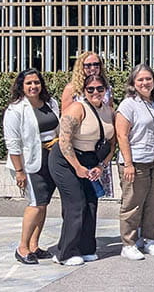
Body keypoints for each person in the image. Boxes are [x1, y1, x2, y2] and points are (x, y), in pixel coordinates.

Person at [52, 74, 115, 266]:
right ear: (83, 91)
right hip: (66, 160)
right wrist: (77, 167)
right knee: (76, 204)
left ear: (105, 90)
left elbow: (112, 144)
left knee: (90, 203)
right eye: (90, 89)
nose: (96, 92)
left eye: (99, 88)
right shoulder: (77, 108)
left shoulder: (109, 111)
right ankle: (65, 252)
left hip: (91, 160)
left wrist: (101, 166)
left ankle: (87, 248)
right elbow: (64, 141)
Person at [4, 69, 60, 265]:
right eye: (28, 83)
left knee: (43, 203)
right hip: (29, 162)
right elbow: (12, 143)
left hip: (50, 159)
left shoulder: (51, 103)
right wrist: (19, 171)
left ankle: (34, 246)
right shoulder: (16, 110)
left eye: (36, 82)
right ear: (21, 86)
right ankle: (22, 247)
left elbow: (57, 129)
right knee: (35, 204)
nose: (33, 86)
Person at [114, 64, 154, 261]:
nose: (145, 83)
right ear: (133, 83)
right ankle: (128, 243)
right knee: (133, 203)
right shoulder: (128, 105)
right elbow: (122, 135)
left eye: (148, 79)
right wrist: (128, 163)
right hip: (136, 161)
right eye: (140, 80)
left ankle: (150, 238)